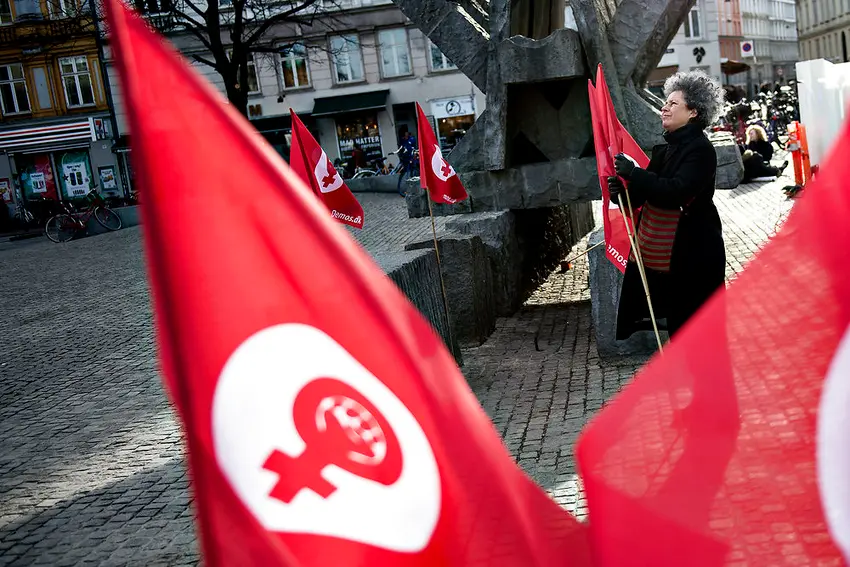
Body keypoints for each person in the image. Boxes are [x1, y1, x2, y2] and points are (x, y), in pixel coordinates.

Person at [608, 70, 726, 339]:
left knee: (700, 330)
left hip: (696, 256)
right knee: (678, 328)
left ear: (693, 112)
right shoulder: (665, 149)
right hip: (670, 258)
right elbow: (643, 196)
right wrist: (620, 192)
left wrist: (635, 174)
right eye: (666, 102)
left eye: (673, 103)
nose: (665, 107)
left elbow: (676, 192)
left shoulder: (701, 149)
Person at [396, 130, 418, 196]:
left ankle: (414, 186)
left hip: (411, 157)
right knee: (407, 171)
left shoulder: (411, 139)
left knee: (413, 170)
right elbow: (402, 148)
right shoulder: (403, 140)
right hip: (406, 158)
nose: (406, 135)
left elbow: (412, 148)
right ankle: (410, 187)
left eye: (406, 133)